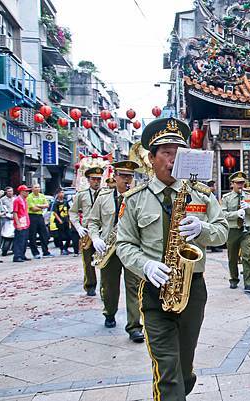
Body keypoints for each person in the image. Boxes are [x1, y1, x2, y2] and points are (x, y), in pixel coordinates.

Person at [116, 117, 228, 400]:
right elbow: (124, 244)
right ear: (151, 158)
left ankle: (183, 382)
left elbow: (223, 231)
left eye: (178, 152)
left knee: (183, 366)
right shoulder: (134, 198)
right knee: (167, 369)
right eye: (166, 152)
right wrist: (146, 265)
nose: (173, 159)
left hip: (193, 289)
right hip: (154, 291)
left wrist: (203, 229)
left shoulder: (200, 194)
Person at [88, 160, 144, 342]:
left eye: (130, 176)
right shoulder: (103, 197)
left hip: (131, 248)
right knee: (109, 287)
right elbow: (93, 221)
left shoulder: (138, 198)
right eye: (124, 176)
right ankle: (109, 312)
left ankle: (134, 326)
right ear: (115, 177)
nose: (127, 180)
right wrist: (95, 238)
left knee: (134, 287)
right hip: (108, 249)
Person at [70, 167, 104, 296]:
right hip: (87, 232)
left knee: (105, 261)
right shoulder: (81, 194)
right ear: (88, 180)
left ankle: (105, 287)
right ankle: (90, 285)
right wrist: (78, 227)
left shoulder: (105, 193)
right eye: (94, 179)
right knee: (88, 261)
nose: (96, 182)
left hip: (102, 231)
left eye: (98, 179)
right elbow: (73, 212)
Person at [221, 171, 250, 291]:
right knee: (233, 257)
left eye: (242, 183)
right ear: (232, 184)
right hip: (232, 230)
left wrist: (249, 208)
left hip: (246, 230)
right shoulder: (226, 198)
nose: (240, 186)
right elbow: (223, 214)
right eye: (238, 183)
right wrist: (236, 214)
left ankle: (249, 282)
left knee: (247, 255)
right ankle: (234, 279)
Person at [27, 183, 54, 259]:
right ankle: (35, 253)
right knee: (32, 236)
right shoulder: (29, 197)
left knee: (45, 235)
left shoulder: (42, 196)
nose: (37, 189)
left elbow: (47, 205)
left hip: (40, 216)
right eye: (35, 187)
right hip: (32, 216)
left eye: (38, 187)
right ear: (32, 189)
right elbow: (33, 208)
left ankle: (46, 252)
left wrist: (38, 206)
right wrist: (41, 207)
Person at [12, 185, 31, 263]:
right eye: (26, 191)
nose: (27, 193)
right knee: (19, 240)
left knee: (24, 240)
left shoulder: (25, 200)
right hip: (20, 222)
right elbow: (15, 213)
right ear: (21, 192)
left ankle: (22, 254)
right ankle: (17, 256)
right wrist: (18, 223)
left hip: (25, 222)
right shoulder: (17, 200)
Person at [51, 189, 73, 255]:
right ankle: (62, 249)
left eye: (63, 192)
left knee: (69, 236)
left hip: (66, 220)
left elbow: (69, 210)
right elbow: (54, 212)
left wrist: (70, 219)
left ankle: (66, 248)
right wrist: (59, 220)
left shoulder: (65, 202)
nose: (62, 194)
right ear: (57, 194)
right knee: (60, 236)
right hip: (59, 221)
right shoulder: (55, 203)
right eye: (60, 192)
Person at [0, 187, 15, 256]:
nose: (10, 192)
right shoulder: (2, 200)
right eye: (8, 191)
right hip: (5, 218)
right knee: (4, 234)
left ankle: (13, 248)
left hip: (14, 217)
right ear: (6, 192)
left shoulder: (15, 199)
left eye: (11, 191)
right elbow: (2, 209)